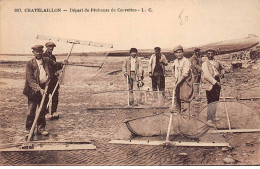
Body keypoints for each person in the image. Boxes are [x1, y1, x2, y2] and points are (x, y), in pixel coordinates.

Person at [23, 45, 65, 138]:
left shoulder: (46, 60)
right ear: (33, 53)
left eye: (40, 51)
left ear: (42, 52)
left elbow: (55, 65)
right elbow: (30, 80)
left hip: (44, 88)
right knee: (31, 111)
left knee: (42, 110)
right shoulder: (30, 63)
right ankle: (29, 130)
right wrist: (39, 89)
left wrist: (62, 63)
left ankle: (41, 129)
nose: (39, 53)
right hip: (33, 90)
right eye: (36, 52)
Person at [201, 48, 224, 123]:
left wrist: (222, 73)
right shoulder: (205, 63)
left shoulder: (217, 62)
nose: (210, 55)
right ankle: (209, 118)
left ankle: (213, 116)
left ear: (214, 54)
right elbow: (206, 75)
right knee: (210, 100)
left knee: (216, 100)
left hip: (217, 80)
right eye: (209, 53)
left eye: (212, 53)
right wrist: (215, 82)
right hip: (209, 82)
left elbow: (222, 68)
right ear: (206, 54)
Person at [171, 45, 193, 113]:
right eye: (177, 52)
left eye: (180, 52)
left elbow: (184, 74)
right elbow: (174, 69)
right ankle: (179, 117)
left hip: (185, 82)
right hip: (178, 82)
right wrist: (175, 78)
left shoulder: (186, 61)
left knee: (185, 100)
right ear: (174, 54)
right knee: (177, 99)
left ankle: (185, 119)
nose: (178, 54)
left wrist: (177, 83)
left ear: (183, 52)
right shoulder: (175, 61)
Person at [43, 42, 60, 120]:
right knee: (45, 96)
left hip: (54, 80)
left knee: (55, 95)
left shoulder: (53, 57)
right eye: (50, 47)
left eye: (52, 47)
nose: (51, 48)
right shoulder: (43, 56)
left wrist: (57, 71)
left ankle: (54, 111)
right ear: (46, 47)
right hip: (46, 79)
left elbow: (55, 66)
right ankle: (45, 113)